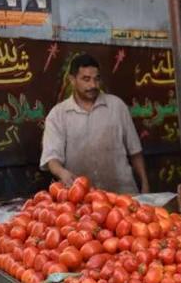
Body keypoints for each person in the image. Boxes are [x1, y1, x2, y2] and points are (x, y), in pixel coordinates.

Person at [40, 54, 150, 194]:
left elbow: (135, 151)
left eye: (96, 79)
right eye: (86, 79)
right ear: (72, 80)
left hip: (124, 196)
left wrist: (145, 185)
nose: (93, 85)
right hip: (82, 201)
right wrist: (63, 173)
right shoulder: (58, 115)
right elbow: (52, 158)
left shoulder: (117, 106)